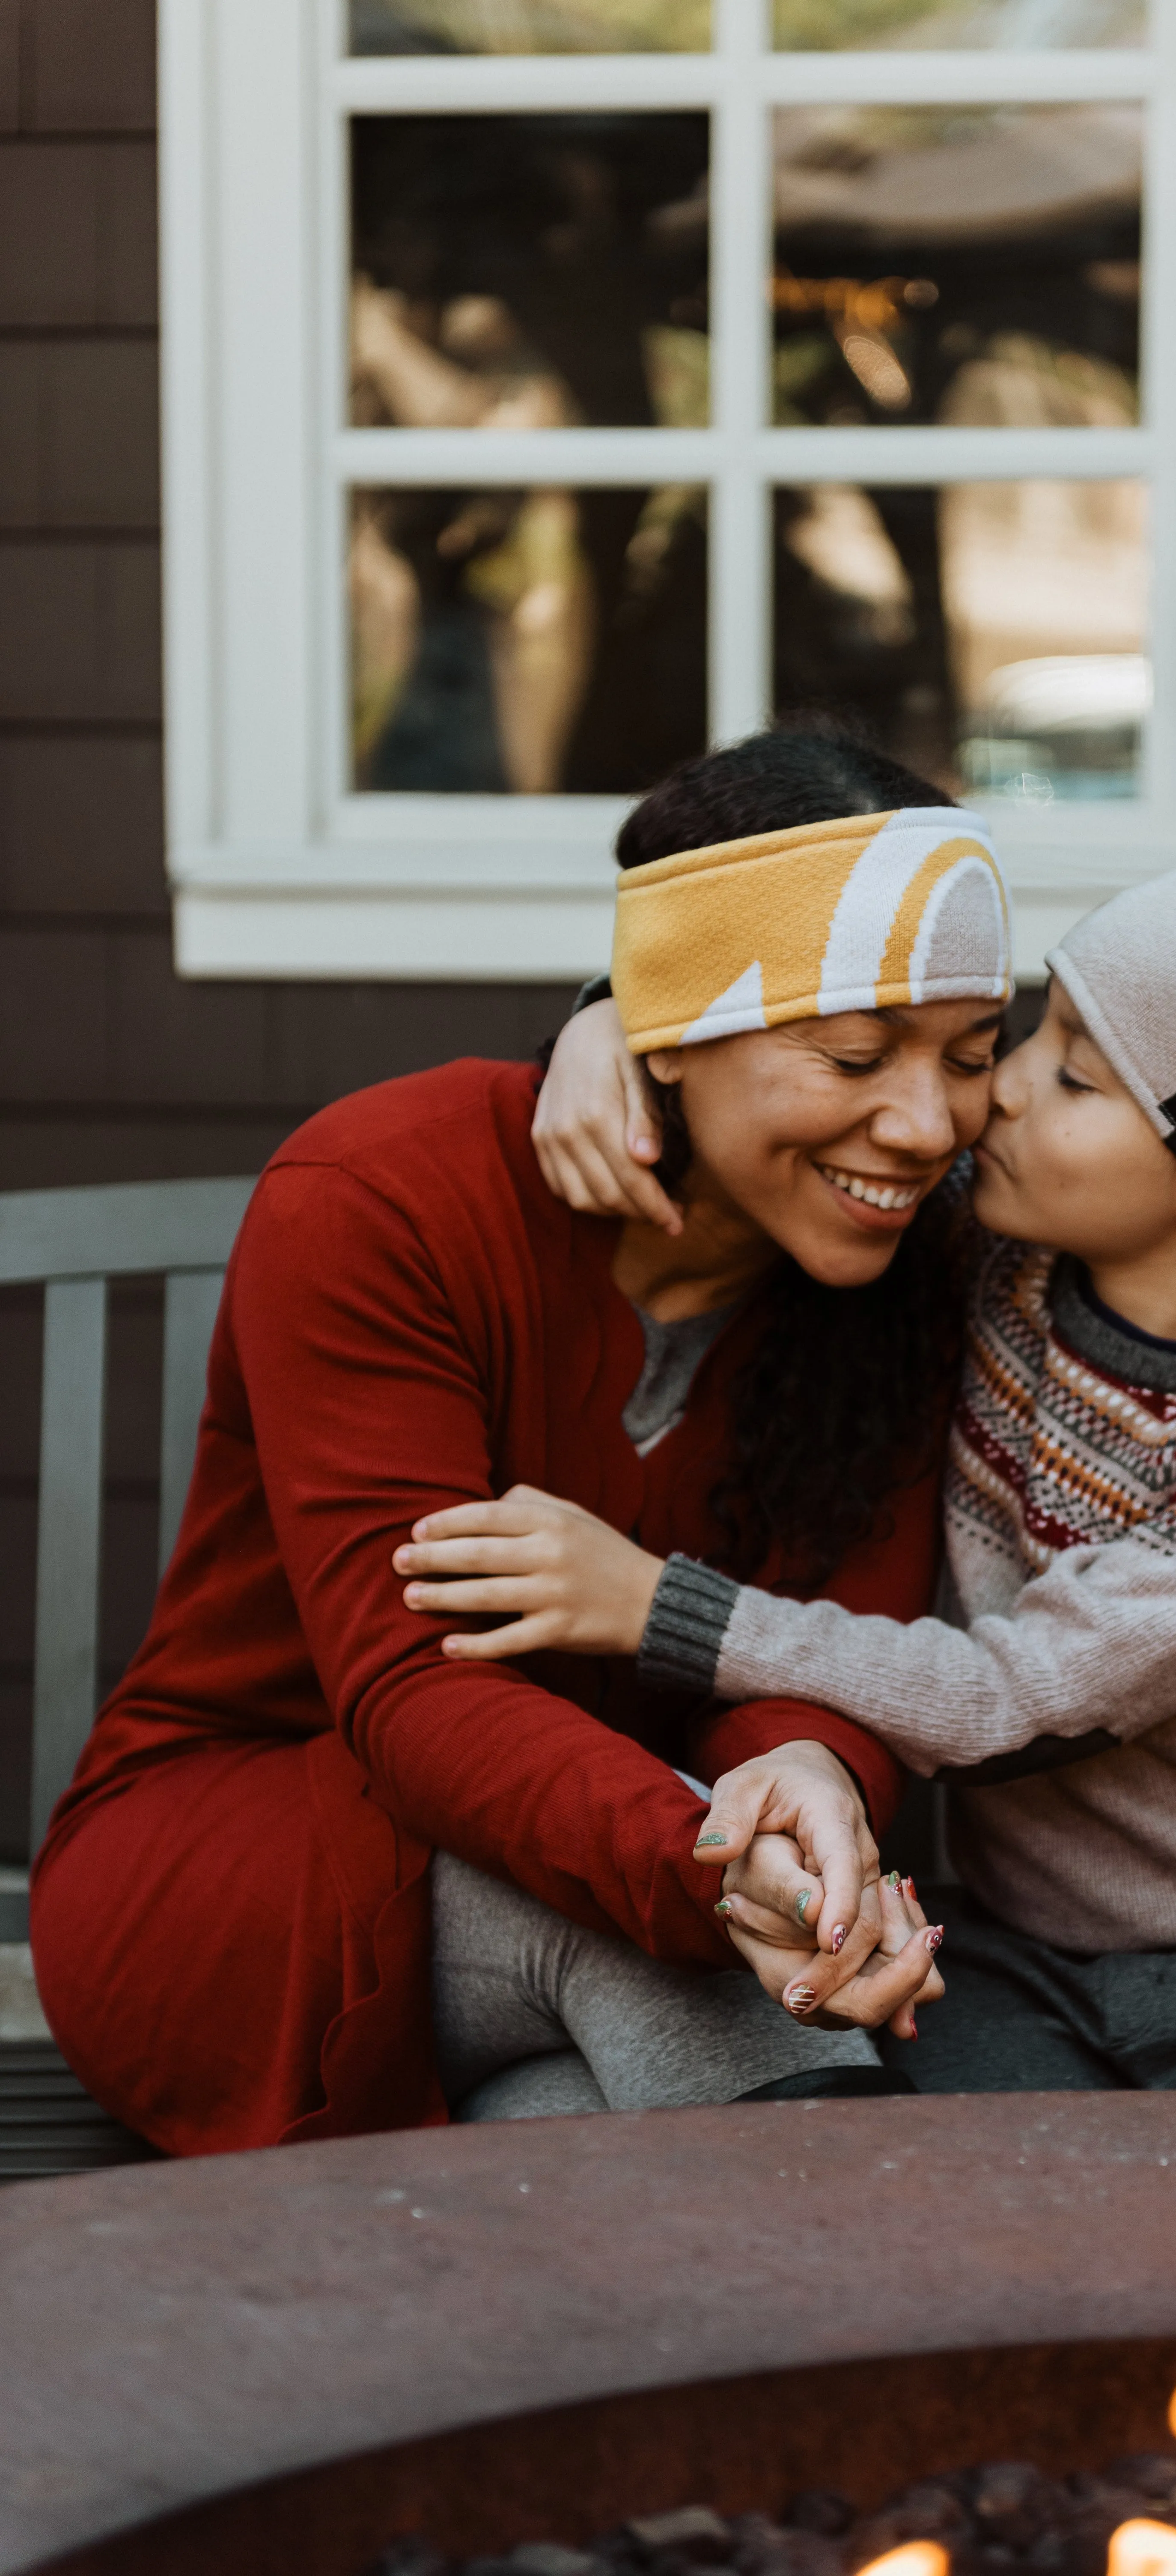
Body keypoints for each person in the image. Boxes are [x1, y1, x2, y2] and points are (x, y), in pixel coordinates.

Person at [30, 726, 1009, 2153]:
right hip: (249, 1872)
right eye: (857, 1052)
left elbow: (832, 1639)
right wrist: (712, 1858)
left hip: (606, 1890)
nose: (928, 1124)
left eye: (972, 1056)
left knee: (573, 2156)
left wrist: (804, 1773)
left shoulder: (908, 1274)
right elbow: (415, 1695)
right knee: (675, 1974)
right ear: (673, 1024)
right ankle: (886, 2312)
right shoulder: (383, 1196)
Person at [402, 859, 1176, 2097]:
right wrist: (610, 1026)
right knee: (945, 2226)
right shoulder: (1002, 1264)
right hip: (1010, 1957)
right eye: (1028, 1030)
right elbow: (767, 1101)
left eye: (1070, 1073)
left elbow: (1010, 1700)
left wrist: (660, 1606)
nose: (992, 1096)